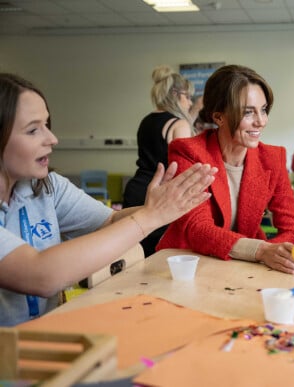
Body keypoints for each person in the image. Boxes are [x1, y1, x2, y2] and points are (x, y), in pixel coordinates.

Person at [0, 73, 217, 326]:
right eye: (33, 130)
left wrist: (164, 207)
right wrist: (150, 216)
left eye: (47, 125)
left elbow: (109, 220)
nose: (52, 139)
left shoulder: (46, 186)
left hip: (41, 338)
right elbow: (40, 275)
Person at [157, 64, 294, 274]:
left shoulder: (272, 158)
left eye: (263, 110)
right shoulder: (188, 152)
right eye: (248, 113)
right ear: (219, 117)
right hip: (190, 265)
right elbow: (198, 229)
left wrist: (276, 253)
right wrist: (262, 251)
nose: (261, 121)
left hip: (243, 268)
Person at [123, 65, 195, 256]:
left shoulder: (146, 120)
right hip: (159, 197)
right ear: (176, 95)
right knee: (160, 261)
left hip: (135, 190)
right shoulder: (179, 124)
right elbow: (184, 168)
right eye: (187, 97)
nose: (189, 102)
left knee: (134, 257)